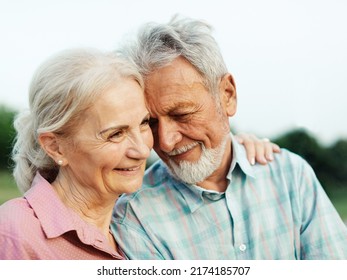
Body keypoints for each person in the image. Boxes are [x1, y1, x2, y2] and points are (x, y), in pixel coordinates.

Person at [0, 48, 277, 260]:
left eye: (144, 123)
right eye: (115, 134)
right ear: (56, 147)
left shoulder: (134, 221)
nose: (142, 149)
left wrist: (234, 148)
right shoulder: (15, 232)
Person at [111, 15, 347, 260]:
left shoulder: (291, 177)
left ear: (227, 95)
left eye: (182, 114)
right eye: (150, 123)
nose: (166, 142)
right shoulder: (133, 218)